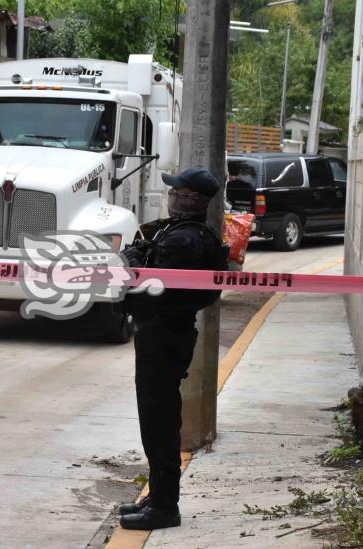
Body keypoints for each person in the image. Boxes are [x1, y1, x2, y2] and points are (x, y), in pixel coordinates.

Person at [119, 167, 229, 530]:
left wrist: (134, 265)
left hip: (164, 334)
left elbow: (157, 288)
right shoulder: (179, 233)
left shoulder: (186, 241)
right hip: (162, 333)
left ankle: (165, 506)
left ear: (193, 199)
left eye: (177, 191)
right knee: (157, 418)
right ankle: (159, 495)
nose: (171, 195)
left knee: (159, 421)